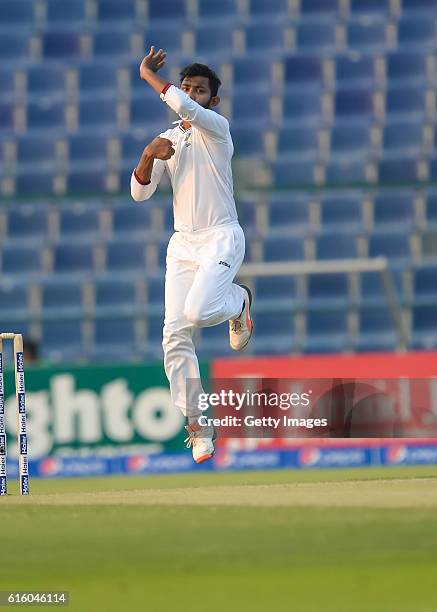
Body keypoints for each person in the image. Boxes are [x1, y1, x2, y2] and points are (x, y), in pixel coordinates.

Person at [131, 47, 253, 464]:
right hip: (182, 244)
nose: (190, 95)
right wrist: (149, 154)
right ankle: (198, 425)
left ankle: (239, 301)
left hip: (221, 236)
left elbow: (180, 106)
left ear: (212, 101)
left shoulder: (217, 127)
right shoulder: (171, 137)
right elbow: (140, 193)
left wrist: (148, 74)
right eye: (186, 87)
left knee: (201, 313)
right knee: (174, 334)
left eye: (199, 91)